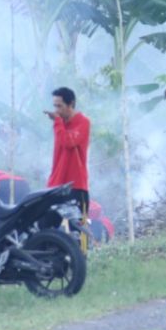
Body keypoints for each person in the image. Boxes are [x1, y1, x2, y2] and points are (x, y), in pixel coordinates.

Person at [45, 86, 91, 226]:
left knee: (78, 232)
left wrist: (57, 122)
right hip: (56, 185)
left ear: (71, 104)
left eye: (60, 106)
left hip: (76, 187)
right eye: (55, 106)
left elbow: (68, 142)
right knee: (45, 228)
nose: (56, 111)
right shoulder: (61, 125)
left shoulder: (83, 122)